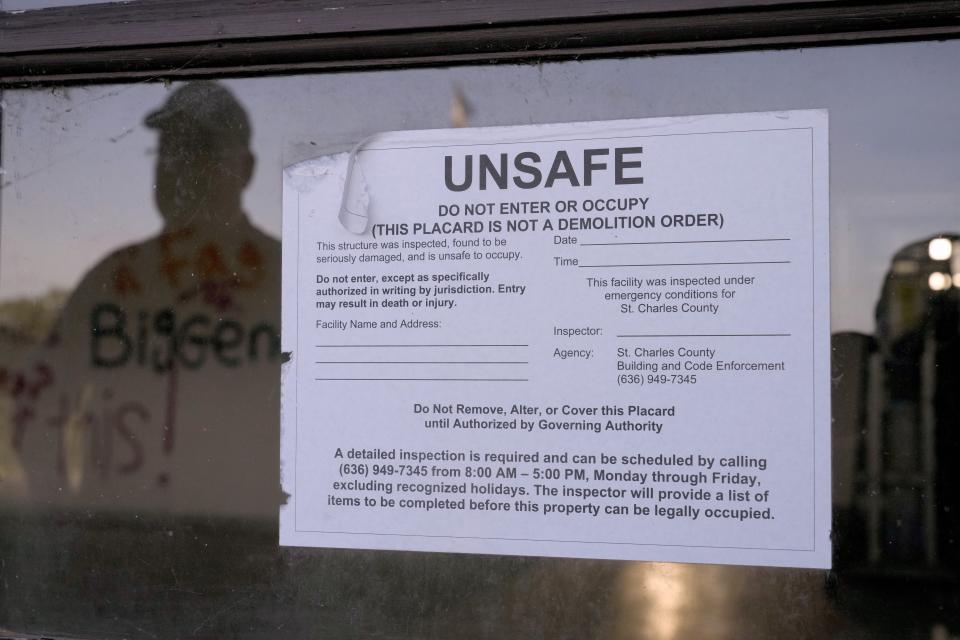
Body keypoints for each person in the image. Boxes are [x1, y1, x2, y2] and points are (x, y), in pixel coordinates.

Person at [10, 81, 282, 520]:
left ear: (246, 168)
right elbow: (37, 409)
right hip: (119, 558)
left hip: (251, 561)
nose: (176, 166)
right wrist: (62, 527)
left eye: (199, 151)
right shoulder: (114, 279)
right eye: (167, 150)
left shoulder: (288, 278)